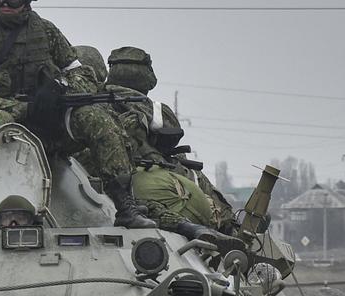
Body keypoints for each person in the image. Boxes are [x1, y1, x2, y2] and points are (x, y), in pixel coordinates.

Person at [0, 0, 155, 228]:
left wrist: (59, 88)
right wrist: (20, 108)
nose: (6, 4)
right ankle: (11, 208)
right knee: (1, 123)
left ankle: (125, 206)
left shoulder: (46, 31)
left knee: (95, 118)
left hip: (51, 120)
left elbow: (85, 77)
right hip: (5, 117)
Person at [104, 46, 243, 249]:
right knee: (193, 177)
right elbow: (172, 131)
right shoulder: (153, 109)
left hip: (111, 180)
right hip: (137, 178)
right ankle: (231, 229)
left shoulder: (92, 101)